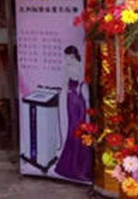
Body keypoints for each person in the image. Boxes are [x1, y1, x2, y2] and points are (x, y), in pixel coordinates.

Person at [54, 45, 93, 182]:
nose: (65, 59)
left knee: (75, 128)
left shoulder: (72, 67)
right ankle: (79, 164)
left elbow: (68, 83)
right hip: (76, 98)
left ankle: (75, 165)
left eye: (67, 56)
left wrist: (64, 92)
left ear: (72, 55)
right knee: (77, 127)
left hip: (74, 99)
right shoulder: (78, 66)